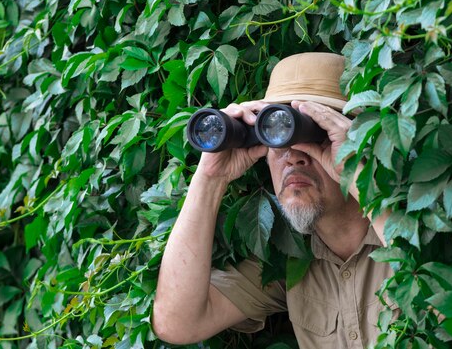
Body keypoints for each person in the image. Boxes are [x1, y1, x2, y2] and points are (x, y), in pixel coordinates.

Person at [152, 52, 393, 348]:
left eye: (315, 136)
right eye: (275, 135)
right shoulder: (291, 263)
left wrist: (357, 174)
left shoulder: (415, 236)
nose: (293, 156)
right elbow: (177, 323)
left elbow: (438, 288)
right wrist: (210, 179)